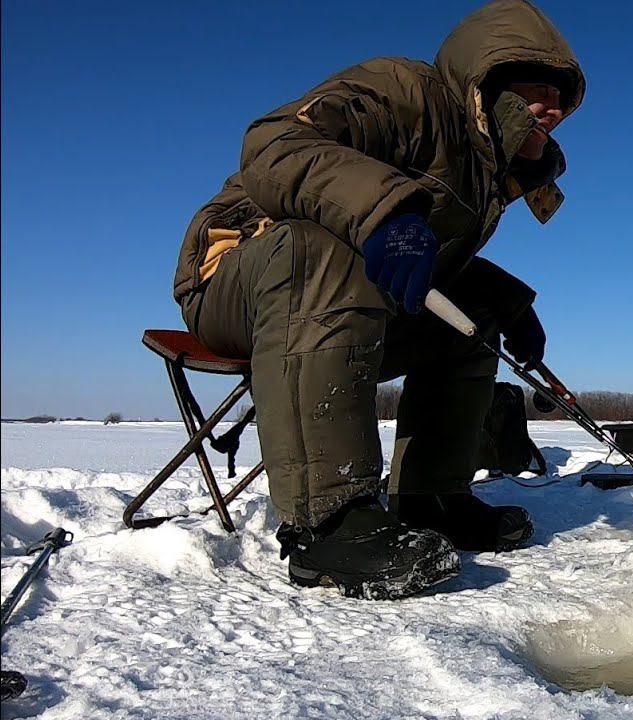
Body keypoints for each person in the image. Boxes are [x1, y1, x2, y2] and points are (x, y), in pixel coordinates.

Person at [170, 0, 585, 600]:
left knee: (471, 322)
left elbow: (434, 267)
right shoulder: (405, 92)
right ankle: (329, 520)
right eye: (539, 90)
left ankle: (429, 497)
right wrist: (386, 211)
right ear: (487, 79)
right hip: (237, 274)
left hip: (343, 305)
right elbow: (273, 143)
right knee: (325, 246)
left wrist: (511, 304)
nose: (556, 109)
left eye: (563, 99)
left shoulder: (488, 171)